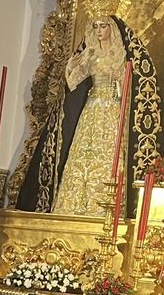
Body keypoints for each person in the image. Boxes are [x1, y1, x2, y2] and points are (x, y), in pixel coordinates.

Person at [53, 16, 128, 216]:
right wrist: (71, 66)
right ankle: (74, 204)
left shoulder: (119, 54)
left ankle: (105, 206)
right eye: (95, 26)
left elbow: (125, 82)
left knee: (109, 152)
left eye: (103, 26)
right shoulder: (91, 54)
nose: (99, 30)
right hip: (93, 106)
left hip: (112, 108)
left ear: (111, 28)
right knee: (83, 153)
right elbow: (73, 82)